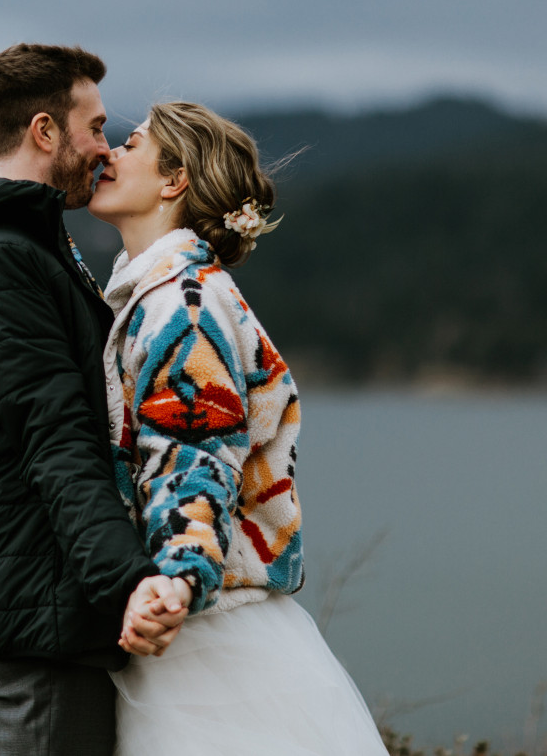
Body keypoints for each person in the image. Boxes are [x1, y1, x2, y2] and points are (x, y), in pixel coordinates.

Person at [0, 44, 189, 756]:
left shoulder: (32, 245)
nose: (104, 145)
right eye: (92, 126)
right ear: (44, 131)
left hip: (49, 598)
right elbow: (57, 441)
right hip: (42, 618)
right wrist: (130, 584)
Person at [88, 101, 388, 755]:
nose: (108, 151)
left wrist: (178, 575)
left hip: (209, 645)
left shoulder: (184, 305)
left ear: (174, 181)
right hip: (209, 626)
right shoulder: (165, 291)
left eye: (133, 142)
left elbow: (196, 453)